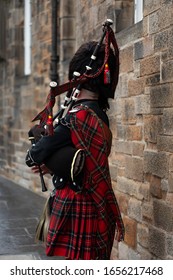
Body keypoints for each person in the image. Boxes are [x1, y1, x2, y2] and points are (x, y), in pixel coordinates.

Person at [25, 38, 125, 260]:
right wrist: (56, 164)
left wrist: (47, 161)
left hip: (75, 202)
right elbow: (82, 160)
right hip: (98, 203)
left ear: (77, 78)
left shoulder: (74, 118)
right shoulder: (101, 116)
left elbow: (33, 156)